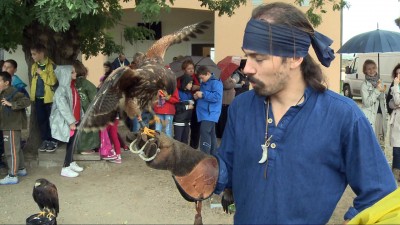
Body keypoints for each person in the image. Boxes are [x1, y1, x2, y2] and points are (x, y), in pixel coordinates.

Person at [132, 2, 397, 224]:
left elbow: (382, 200)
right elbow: (228, 170)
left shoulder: (342, 117)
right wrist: (183, 160)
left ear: (294, 57)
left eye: (259, 58)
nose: (246, 69)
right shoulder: (241, 107)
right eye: (248, 57)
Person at [50, 65, 84, 178]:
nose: (75, 74)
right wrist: (71, 122)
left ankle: (71, 162)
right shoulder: (61, 90)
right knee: (70, 144)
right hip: (69, 123)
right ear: (65, 74)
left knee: (73, 143)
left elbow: (77, 104)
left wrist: (80, 118)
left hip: (75, 121)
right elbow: (63, 107)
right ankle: (65, 167)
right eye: (72, 72)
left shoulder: (72, 87)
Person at [0, 71, 30, 185]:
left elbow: (27, 101)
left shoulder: (13, 91)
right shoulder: (3, 92)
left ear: (6, 82)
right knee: (16, 148)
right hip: (7, 124)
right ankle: (21, 169)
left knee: (10, 150)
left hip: (12, 125)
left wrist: (11, 104)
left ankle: (12, 175)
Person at [30, 43, 58, 152]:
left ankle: (53, 141)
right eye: (31, 54)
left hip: (49, 98)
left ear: (41, 53)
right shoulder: (34, 66)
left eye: (34, 54)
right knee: (42, 120)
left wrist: (42, 73)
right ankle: (45, 140)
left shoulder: (51, 65)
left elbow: (52, 81)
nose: (32, 56)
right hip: (38, 98)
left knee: (51, 120)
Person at [194, 66, 222, 155]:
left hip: (210, 113)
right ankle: (213, 154)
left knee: (204, 132)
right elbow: (205, 97)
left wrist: (202, 94)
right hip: (206, 112)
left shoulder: (216, 83)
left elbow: (217, 97)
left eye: (202, 77)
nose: (202, 80)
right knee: (211, 134)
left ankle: (204, 155)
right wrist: (197, 96)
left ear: (208, 74)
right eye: (200, 78)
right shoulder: (205, 83)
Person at [360, 59, 387, 142]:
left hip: (381, 115)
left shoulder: (380, 81)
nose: (372, 70)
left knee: (381, 143)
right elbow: (367, 103)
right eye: (369, 69)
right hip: (371, 117)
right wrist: (377, 90)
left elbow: (383, 100)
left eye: (373, 68)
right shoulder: (364, 85)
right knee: (371, 142)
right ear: (365, 71)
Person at [177, 60, 201, 149]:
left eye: (192, 68)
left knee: (195, 128)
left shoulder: (198, 78)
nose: (191, 70)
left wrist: (198, 87)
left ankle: (193, 147)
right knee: (184, 129)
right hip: (184, 107)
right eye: (189, 69)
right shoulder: (179, 79)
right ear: (184, 70)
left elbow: (204, 88)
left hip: (196, 106)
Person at [173, 74, 194, 144]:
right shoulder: (178, 93)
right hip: (179, 122)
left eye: (192, 83)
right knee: (177, 142)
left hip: (187, 122)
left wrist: (195, 100)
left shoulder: (190, 94)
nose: (192, 85)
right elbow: (176, 108)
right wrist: (187, 107)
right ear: (185, 83)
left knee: (185, 142)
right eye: (190, 83)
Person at [388, 63, 400, 181]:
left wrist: (396, 103)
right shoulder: (395, 85)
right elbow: (391, 103)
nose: (398, 75)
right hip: (396, 122)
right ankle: (395, 176)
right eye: (397, 73)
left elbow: (397, 100)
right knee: (396, 150)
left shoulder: (396, 86)